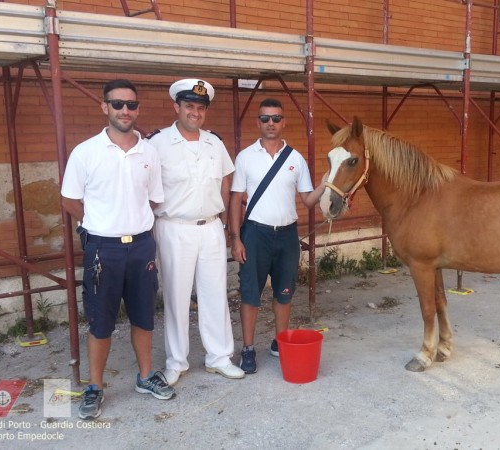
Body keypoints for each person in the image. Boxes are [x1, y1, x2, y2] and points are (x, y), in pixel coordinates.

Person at [61, 79, 174, 420]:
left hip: (140, 246)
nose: (125, 110)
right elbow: (69, 199)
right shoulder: (86, 152)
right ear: (104, 107)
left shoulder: (149, 152)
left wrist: (131, 223)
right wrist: (98, 222)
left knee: (143, 316)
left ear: (138, 109)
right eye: (118, 104)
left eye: (131, 105)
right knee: (101, 321)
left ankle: (144, 377)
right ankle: (94, 387)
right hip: (102, 249)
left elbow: (155, 198)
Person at [148, 78, 244, 385]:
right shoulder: (157, 143)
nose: (195, 113)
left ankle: (219, 357)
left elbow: (226, 182)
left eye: (201, 108)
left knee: (216, 294)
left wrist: (227, 225)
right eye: (189, 106)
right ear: (176, 107)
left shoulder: (214, 142)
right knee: (176, 297)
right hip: (174, 228)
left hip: (211, 227)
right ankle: (177, 361)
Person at [228, 98, 326, 374]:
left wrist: (327, 184)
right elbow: (236, 200)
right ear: (258, 122)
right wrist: (236, 238)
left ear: (283, 122)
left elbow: (307, 200)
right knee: (250, 294)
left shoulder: (295, 159)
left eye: (275, 118)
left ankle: (280, 341)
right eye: (265, 118)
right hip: (255, 235)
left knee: (284, 292)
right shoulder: (246, 156)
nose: (270, 123)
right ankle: (248, 349)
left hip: (287, 236)